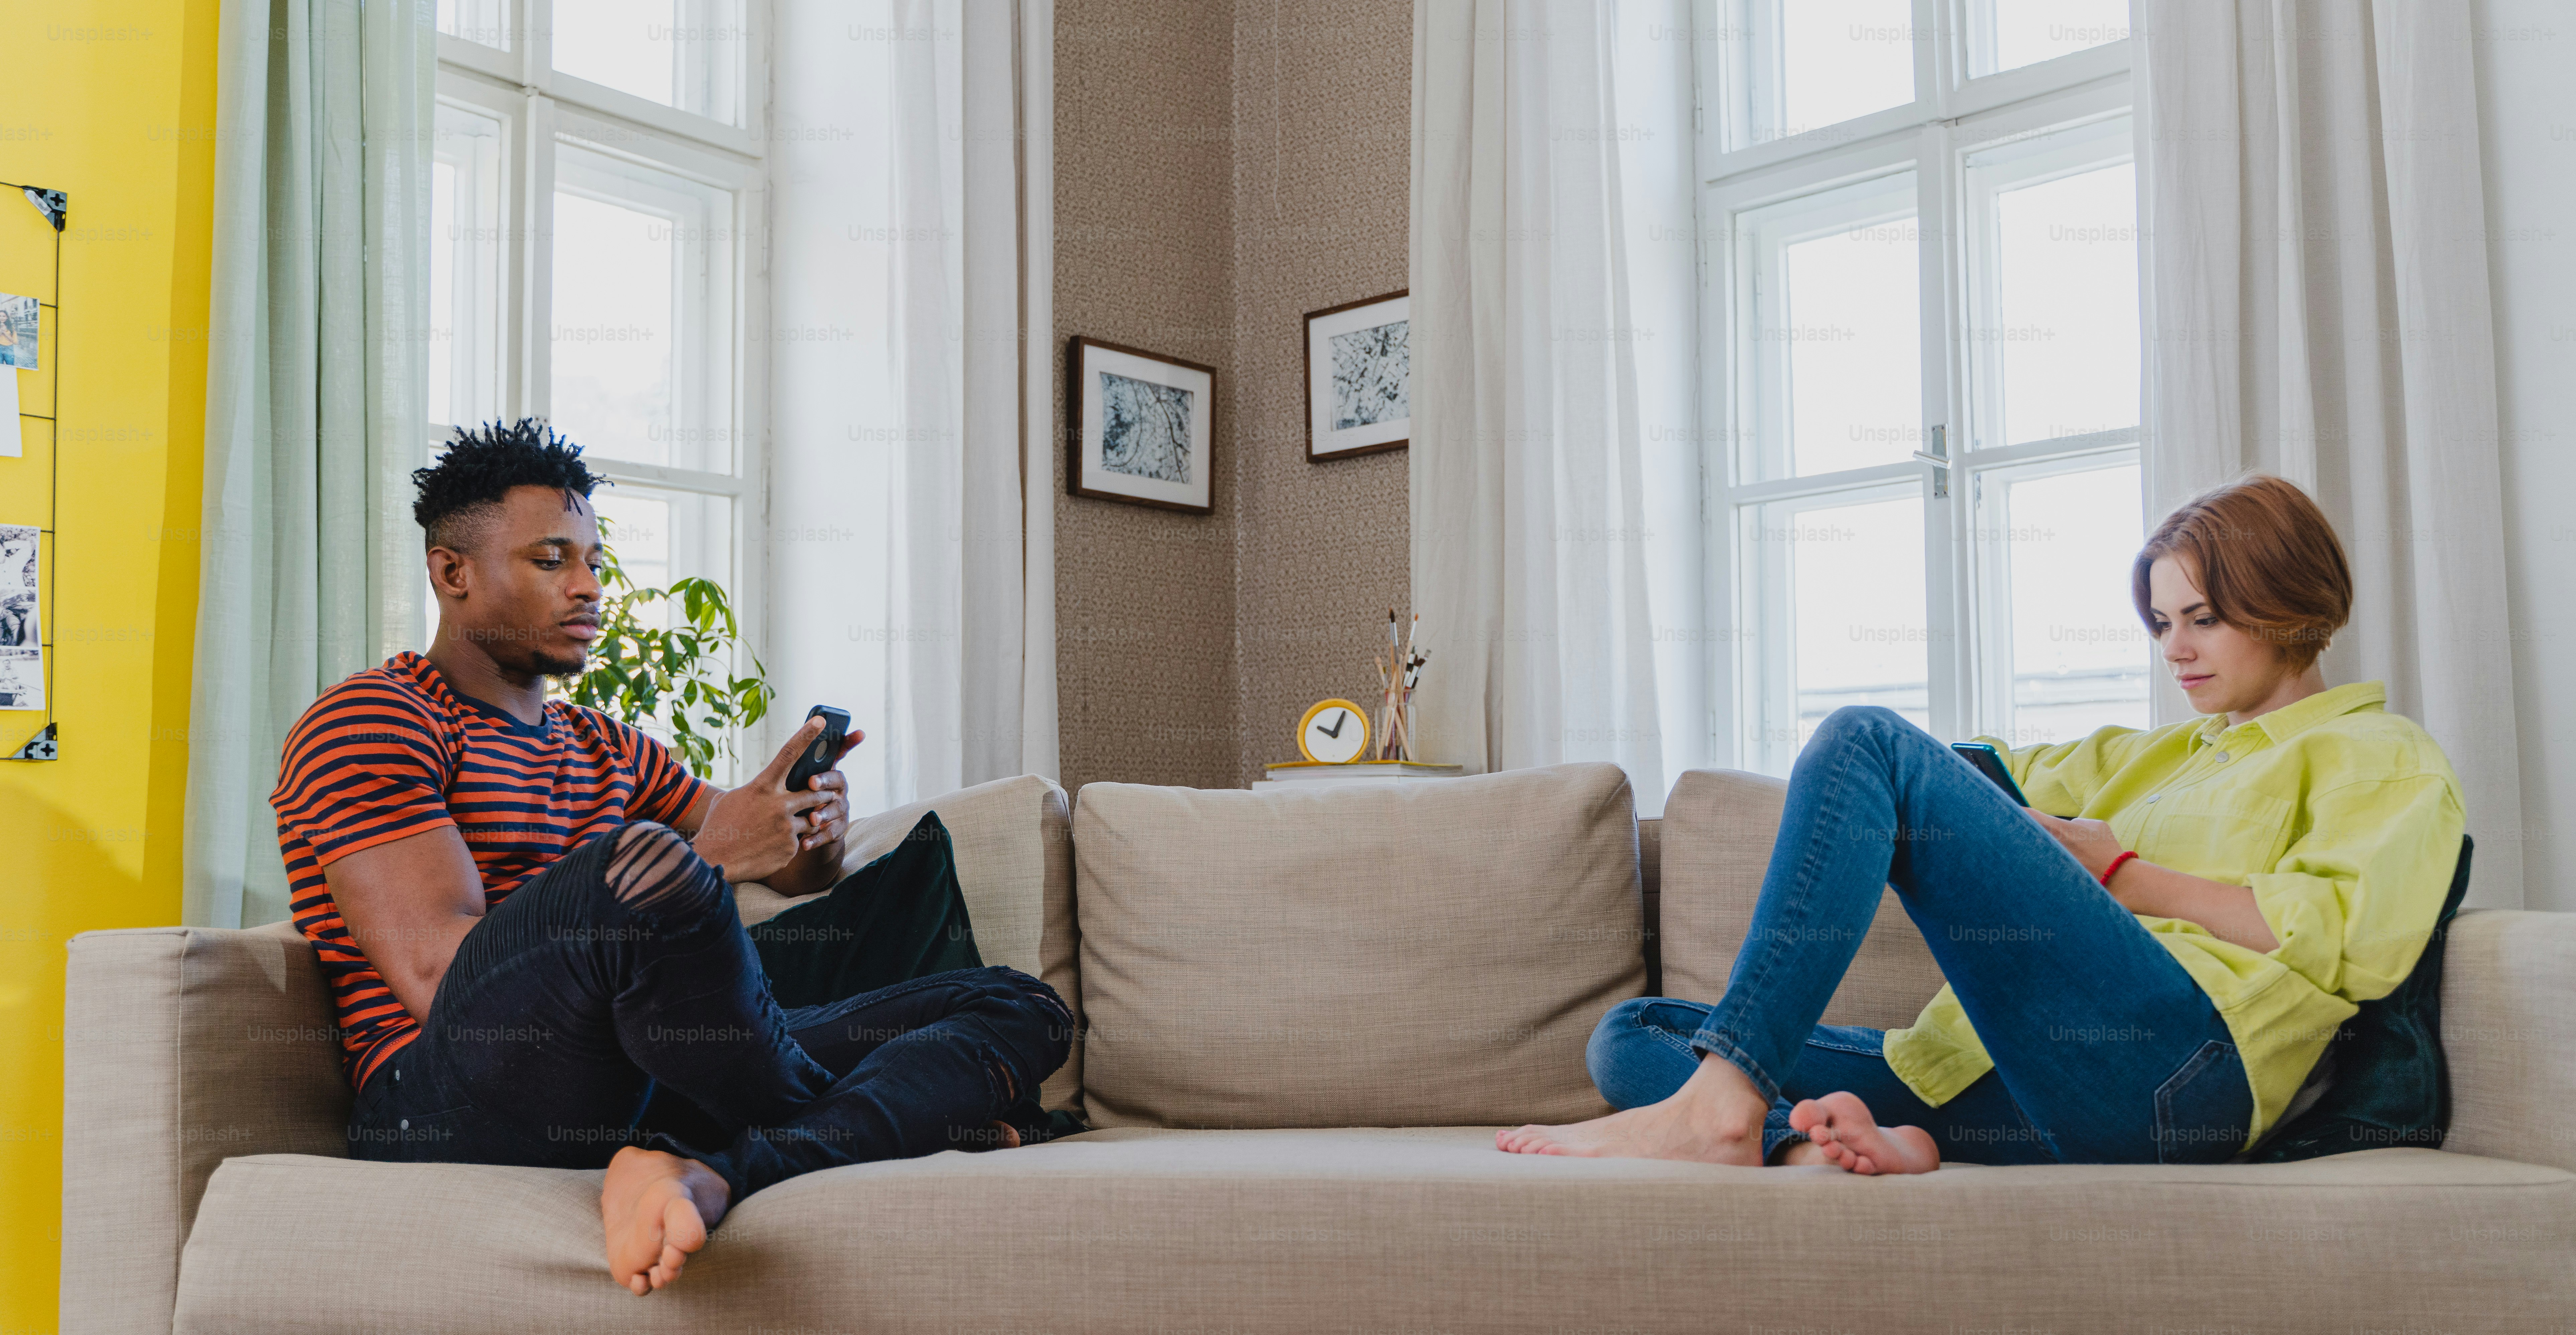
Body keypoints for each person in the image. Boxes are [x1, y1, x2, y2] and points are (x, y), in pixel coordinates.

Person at [272, 420, 1070, 1295]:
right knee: (639, 862)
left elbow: (776, 867)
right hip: (446, 1097)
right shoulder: (374, 719)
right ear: (451, 572)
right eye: (550, 560)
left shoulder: (606, 744)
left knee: (1018, 1004)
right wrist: (703, 861)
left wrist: (809, 829)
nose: (588, 587)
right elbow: (435, 974)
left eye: (594, 561)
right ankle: (891, 1117)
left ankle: (715, 1170)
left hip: (643, 1075)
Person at [1499, 474, 2465, 1173]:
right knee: (1633, 1034)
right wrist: (1931, 804)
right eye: (2161, 623)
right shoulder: (2159, 754)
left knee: (1864, 739)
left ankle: (1723, 1112)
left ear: (2286, 604)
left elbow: (2355, 942)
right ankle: (1799, 1140)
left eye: (2201, 618)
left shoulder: (2381, 754)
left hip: (2176, 1075)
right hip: (2014, 1080)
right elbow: (1973, 773)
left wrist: (2123, 874)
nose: (2174, 649)